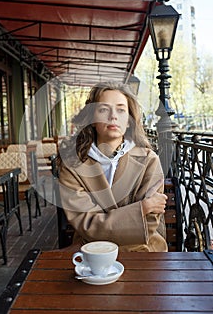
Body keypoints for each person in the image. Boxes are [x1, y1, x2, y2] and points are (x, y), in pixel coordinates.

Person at [57, 81, 168, 252]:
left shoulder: (148, 160)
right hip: (91, 254)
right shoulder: (72, 165)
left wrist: (103, 226)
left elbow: (150, 222)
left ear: (130, 120)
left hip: (144, 253)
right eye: (103, 109)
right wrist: (142, 209)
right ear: (92, 119)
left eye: (121, 110)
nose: (113, 116)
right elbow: (86, 224)